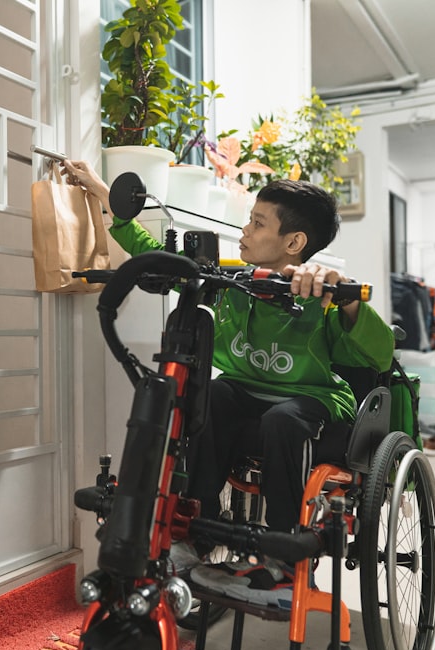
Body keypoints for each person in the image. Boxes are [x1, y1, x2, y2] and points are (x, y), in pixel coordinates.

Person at [61, 159, 396, 609]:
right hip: (244, 401)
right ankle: (194, 531)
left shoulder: (321, 295)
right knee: (211, 394)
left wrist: (346, 298)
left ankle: (283, 561)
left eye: (258, 223)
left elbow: (379, 353)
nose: (245, 229)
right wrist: (103, 191)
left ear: (293, 242)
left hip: (311, 406)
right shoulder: (234, 280)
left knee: (282, 419)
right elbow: (153, 254)